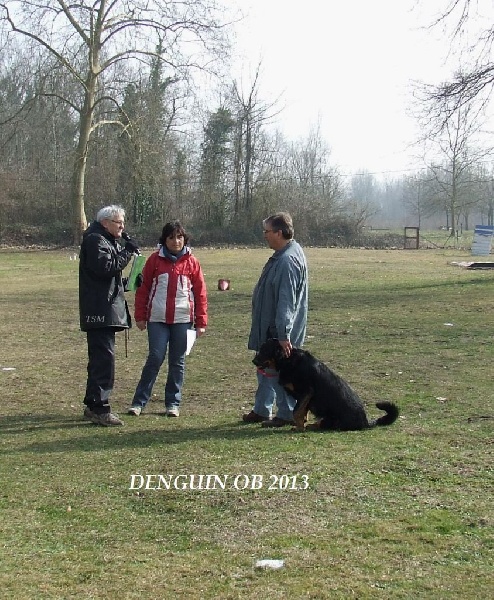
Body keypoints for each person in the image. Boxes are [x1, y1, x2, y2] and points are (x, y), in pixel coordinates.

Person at [128, 221, 207, 417]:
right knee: (155, 357)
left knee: (177, 361)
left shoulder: (192, 262)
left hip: (183, 319)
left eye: (179, 237)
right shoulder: (154, 260)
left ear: (185, 239)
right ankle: (139, 402)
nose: (175, 241)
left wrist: (201, 321)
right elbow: (143, 290)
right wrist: (140, 316)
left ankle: (173, 403)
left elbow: (200, 293)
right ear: (164, 240)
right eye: (171, 237)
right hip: (157, 319)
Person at [243, 212, 308, 427]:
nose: (265, 236)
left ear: (279, 233)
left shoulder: (287, 261)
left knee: (279, 371)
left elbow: (286, 302)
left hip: (278, 332)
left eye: (267, 231)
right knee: (264, 368)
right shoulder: (283, 254)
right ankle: (262, 409)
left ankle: (287, 413)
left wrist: (283, 335)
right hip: (270, 329)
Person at [79, 205, 140, 426]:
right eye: (119, 222)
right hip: (99, 310)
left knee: (100, 358)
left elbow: (106, 279)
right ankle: (100, 407)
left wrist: (129, 282)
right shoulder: (96, 240)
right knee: (104, 360)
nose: (123, 227)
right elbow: (106, 268)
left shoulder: (104, 240)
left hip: (104, 307)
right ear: (106, 222)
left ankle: (92, 403)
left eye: (123, 222)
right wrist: (128, 251)